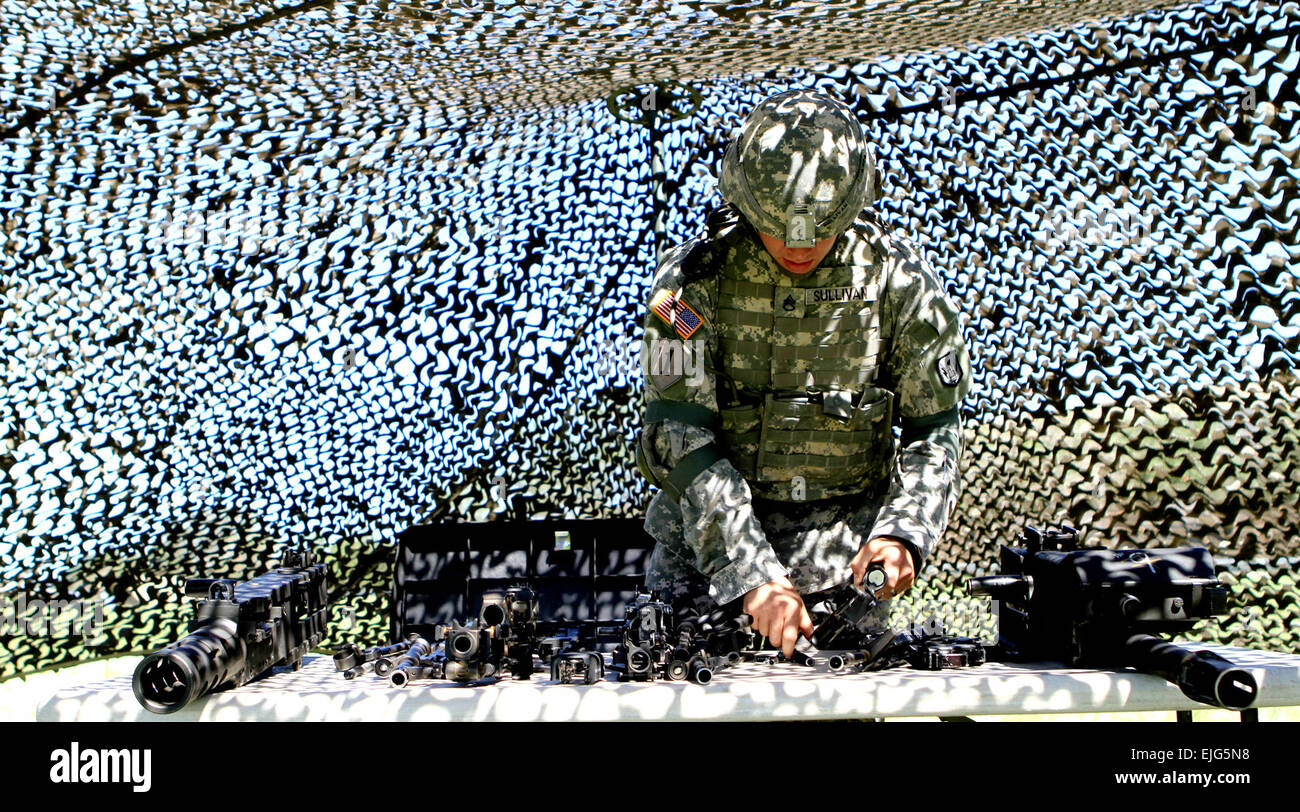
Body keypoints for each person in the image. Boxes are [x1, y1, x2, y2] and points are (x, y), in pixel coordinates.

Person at [635, 89, 971, 658]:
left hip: (845, 589)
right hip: (701, 578)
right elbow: (677, 438)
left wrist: (902, 535)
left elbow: (934, 431)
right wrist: (750, 572)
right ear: (744, 202)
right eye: (777, 226)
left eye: (821, 229)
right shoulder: (688, 287)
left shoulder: (901, 286)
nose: (800, 245)